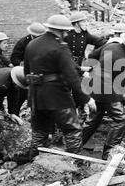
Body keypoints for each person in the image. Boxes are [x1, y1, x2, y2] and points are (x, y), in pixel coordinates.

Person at [24, 15, 96, 154]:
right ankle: (76, 164)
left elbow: (27, 71)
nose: (66, 34)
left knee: (40, 130)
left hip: (36, 95)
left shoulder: (32, 44)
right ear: (61, 31)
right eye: (65, 32)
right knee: (72, 129)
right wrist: (86, 99)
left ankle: (34, 160)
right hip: (57, 96)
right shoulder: (60, 47)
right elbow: (72, 77)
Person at [83, 30, 125, 160]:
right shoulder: (121, 57)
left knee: (93, 120)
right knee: (121, 120)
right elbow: (118, 80)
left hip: (95, 87)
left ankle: (74, 147)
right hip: (107, 91)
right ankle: (109, 153)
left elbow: (92, 56)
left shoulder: (110, 45)